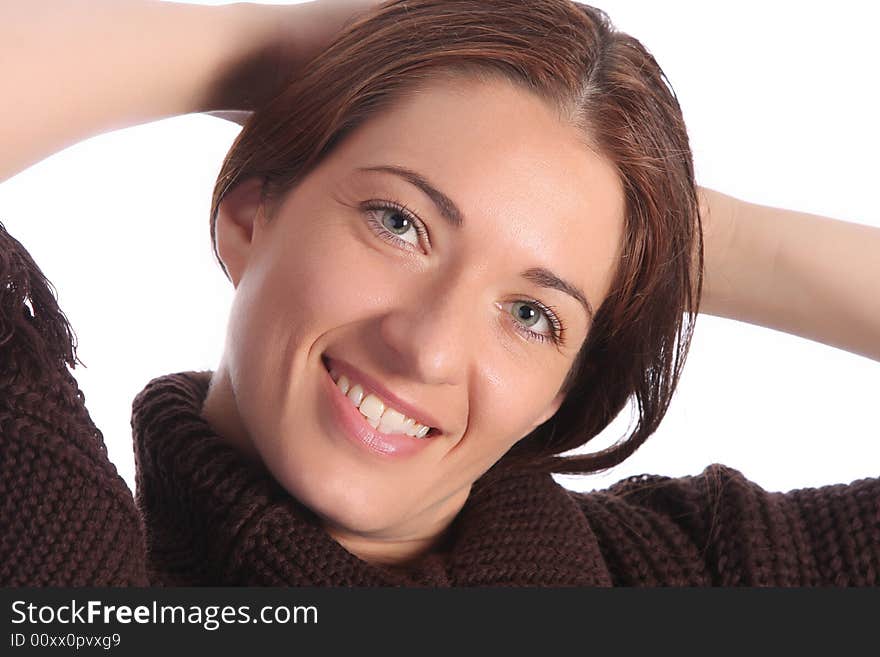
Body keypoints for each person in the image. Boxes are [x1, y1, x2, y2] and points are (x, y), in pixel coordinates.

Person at [0, 0, 877, 587]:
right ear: (248, 214)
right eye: (399, 222)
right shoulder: (62, 558)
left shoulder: (678, 574)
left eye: (533, 314)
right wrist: (253, 47)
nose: (425, 347)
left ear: (563, 389)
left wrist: (666, 233)